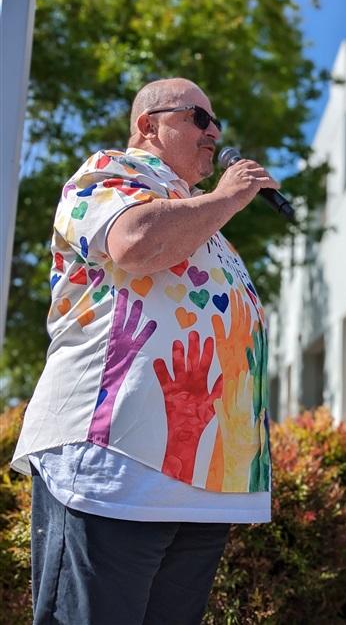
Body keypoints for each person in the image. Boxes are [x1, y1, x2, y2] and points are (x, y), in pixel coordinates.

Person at [11, 78, 279, 625]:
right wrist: (228, 196)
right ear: (148, 125)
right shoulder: (112, 172)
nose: (214, 135)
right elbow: (134, 243)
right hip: (114, 462)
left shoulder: (204, 219)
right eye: (199, 120)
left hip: (204, 479)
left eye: (218, 125)